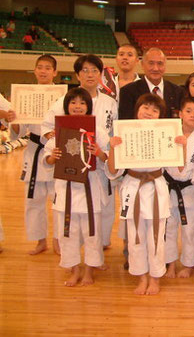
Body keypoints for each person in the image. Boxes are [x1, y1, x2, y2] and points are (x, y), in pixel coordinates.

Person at [108, 93, 182, 295]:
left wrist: (179, 146)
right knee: (135, 236)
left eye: (155, 110)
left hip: (156, 186)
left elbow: (179, 169)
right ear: (137, 110)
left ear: (161, 116)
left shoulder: (165, 134)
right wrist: (113, 148)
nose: (149, 113)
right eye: (145, 108)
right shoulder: (124, 133)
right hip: (133, 186)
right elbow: (113, 171)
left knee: (156, 236)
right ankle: (141, 277)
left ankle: (155, 278)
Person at [42, 54, 118, 250]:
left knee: (102, 206)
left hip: (100, 163)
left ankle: (99, 246)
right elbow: (48, 129)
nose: (90, 75)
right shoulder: (63, 101)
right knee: (69, 207)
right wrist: (56, 140)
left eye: (94, 71)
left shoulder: (110, 103)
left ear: (101, 75)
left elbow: (114, 131)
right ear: (77, 75)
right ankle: (67, 245)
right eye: (85, 70)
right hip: (71, 164)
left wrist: (104, 154)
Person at [44, 88, 109, 287]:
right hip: (66, 188)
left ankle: (89, 270)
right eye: (73, 102)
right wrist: (53, 157)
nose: (78, 106)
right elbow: (47, 160)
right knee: (68, 232)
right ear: (67, 106)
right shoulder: (59, 130)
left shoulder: (97, 129)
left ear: (89, 106)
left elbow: (107, 157)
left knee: (92, 232)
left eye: (82, 103)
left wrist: (98, 153)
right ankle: (74, 269)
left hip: (90, 187)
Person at [10, 55, 60, 255]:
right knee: (34, 199)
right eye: (40, 67)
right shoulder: (24, 95)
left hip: (56, 151)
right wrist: (14, 121)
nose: (43, 71)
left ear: (55, 72)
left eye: (48, 68)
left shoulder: (62, 96)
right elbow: (18, 131)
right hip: (34, 151)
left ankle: (58, 240)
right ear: (35, 70)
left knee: (59, 199)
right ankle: (40, 241)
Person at [164, 96, 194, 279]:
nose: (192, 116)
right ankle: (170, 264)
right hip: (169, 186)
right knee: (169, 228)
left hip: (190, 189)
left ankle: (188, 264)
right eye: (188, 111)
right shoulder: (168, 134)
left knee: (190, 229)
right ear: (180, 114)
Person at [119, 48, 184, 119]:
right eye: (151, 63)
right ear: (142, 65)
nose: (155, 68)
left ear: (165, 66)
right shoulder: (128, 91)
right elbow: (125, 123)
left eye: (160, 64)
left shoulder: (178, 92)